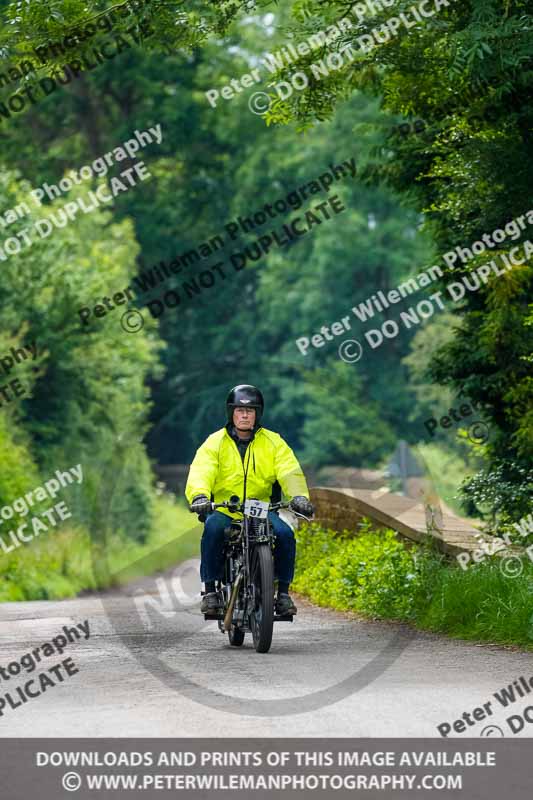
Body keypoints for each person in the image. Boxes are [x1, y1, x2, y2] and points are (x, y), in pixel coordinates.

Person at [185, 384, 314, 616]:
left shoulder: (273, 442)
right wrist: (200, 495)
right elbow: (201, 470)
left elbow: (289, 471)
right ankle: (211, 591)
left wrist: (299, 497)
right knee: (213, 529)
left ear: (258, 414)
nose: (245, 415)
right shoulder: (215, 442)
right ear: (231, 413)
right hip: (227, 509)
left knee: (285, 534)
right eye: (239, 411)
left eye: (250, 411)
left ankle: (283, 594)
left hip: (261, 509)